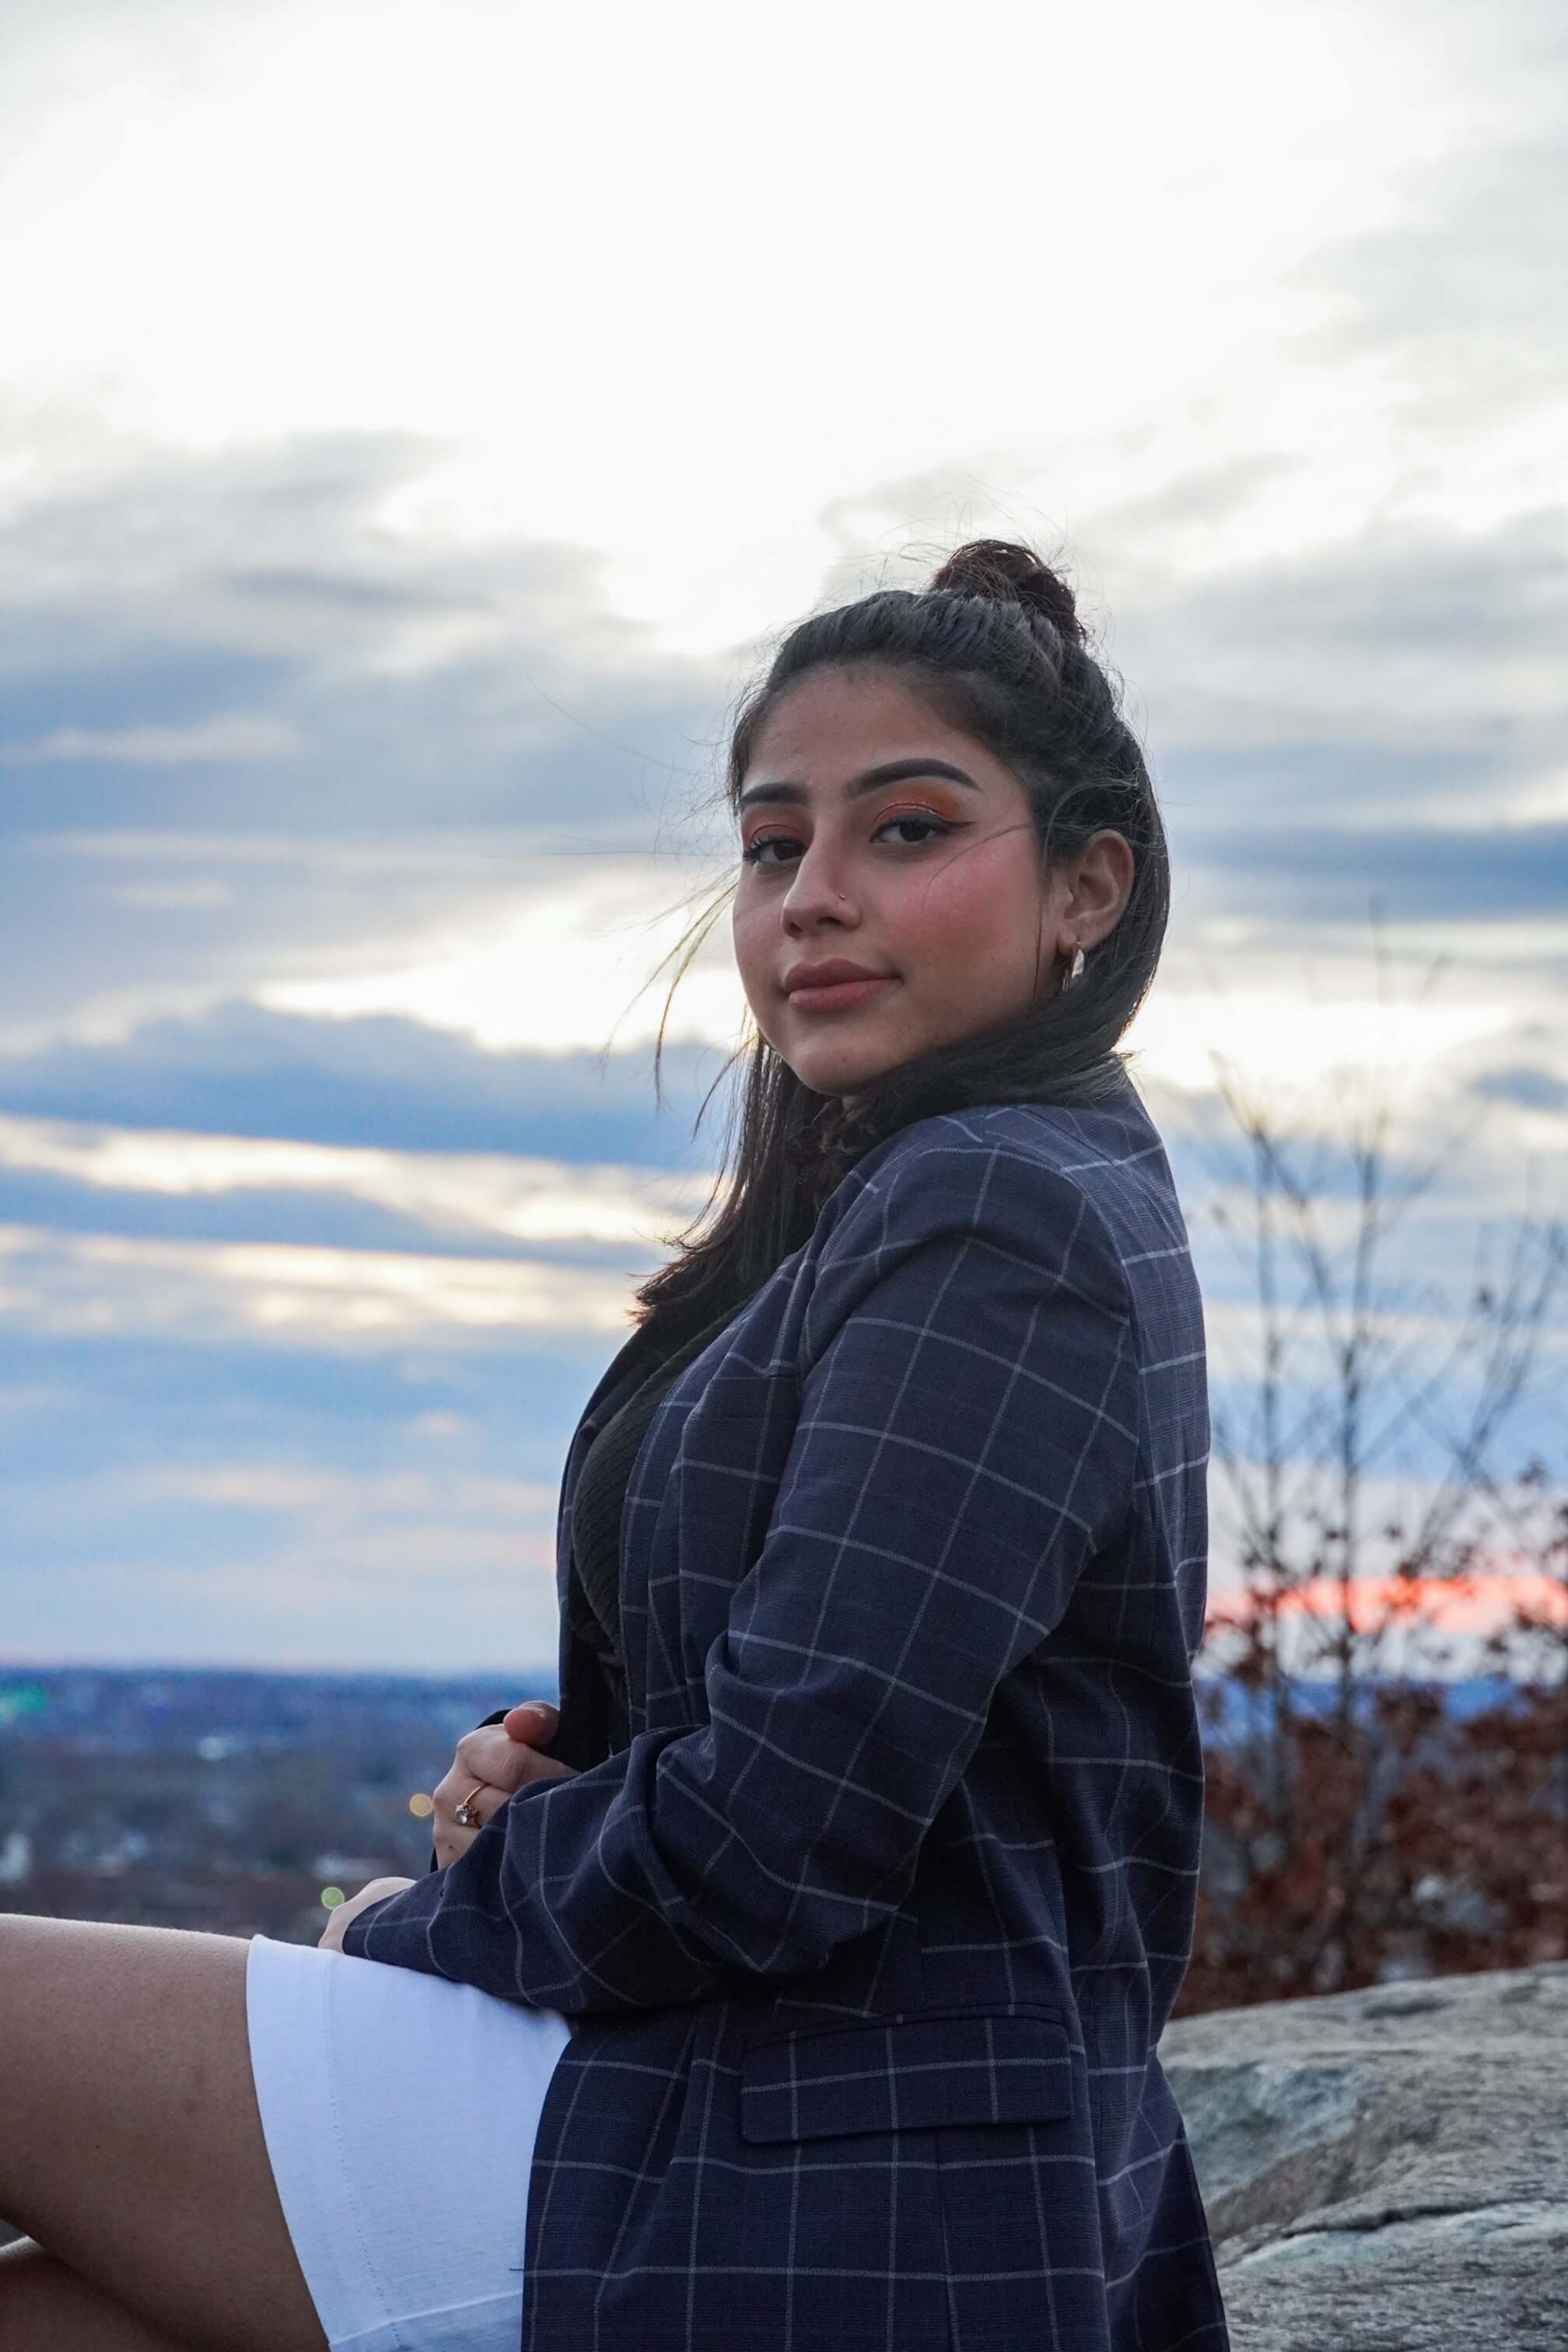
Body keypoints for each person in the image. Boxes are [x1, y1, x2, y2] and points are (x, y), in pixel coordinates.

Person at [0, 538, 1230, 2350]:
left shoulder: (996, 1210)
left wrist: (417, 1923)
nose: (815, 896)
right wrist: (566, 1796)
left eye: (906, 829)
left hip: (819, 2182)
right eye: (773, 844)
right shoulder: (947, 1191)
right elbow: (862, 1756)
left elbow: (775, 1842)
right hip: (792, 2131)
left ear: (1087, 885)